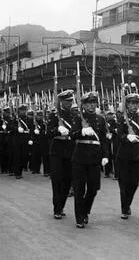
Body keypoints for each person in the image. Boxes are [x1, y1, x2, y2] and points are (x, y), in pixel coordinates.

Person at [72, 92, 109, 228]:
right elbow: (72, 135)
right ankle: (79, 218)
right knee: (79, 189)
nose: (92, 105)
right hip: (80, 157)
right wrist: (81, 132)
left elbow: (104, 140)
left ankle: (85, 210)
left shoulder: (101, 119)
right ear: (84, 105)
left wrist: (105, 155)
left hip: (94, 157)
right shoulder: (78, 118)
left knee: (93, 188)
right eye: (88, 103)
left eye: (94, 102)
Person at [48, 90, 80, 219]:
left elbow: (76, 132)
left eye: (71, 101)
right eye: (67, 101)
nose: (69, 103)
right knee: (57, 181)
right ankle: (57, 208)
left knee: (67, 181)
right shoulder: (55, 115)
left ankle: (61, 206)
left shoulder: (74, 116)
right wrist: (57, 130)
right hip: (57, 151)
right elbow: (48, 132)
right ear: (61, 101)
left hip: (70, 151)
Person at [116, 93, 139, 220]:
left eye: (136, 103)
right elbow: (119, 135)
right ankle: (124, 207)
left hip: (138, 155)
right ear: (127, 104)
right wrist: (126, 137)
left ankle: (127, 203)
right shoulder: (122, 118)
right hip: (124, 155)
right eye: (131, 103)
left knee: (134, 183)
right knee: (124, 183)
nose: (134, 106)